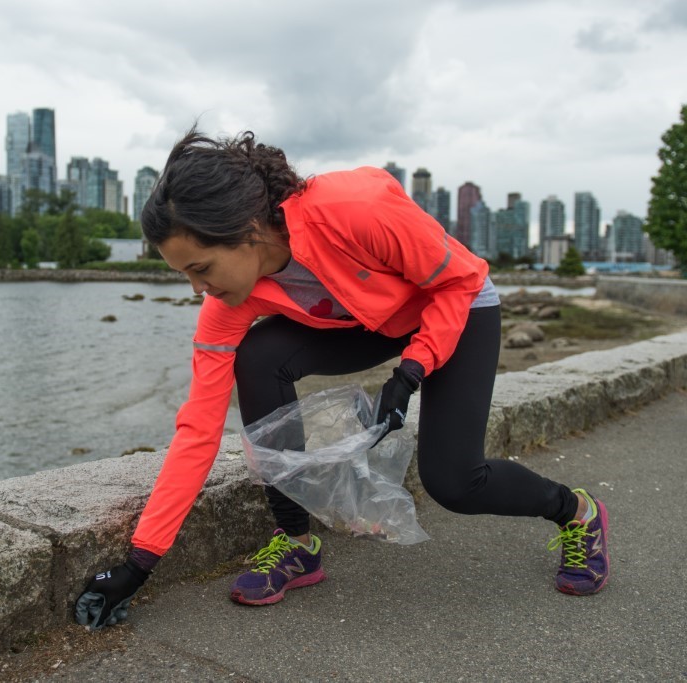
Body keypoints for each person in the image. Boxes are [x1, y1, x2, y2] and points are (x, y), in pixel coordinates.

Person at [74, 127, 610, 629]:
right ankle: (296, 544)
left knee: (455, 482)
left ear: (247, 231)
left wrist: (414, 367)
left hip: (457, 303)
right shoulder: (227, 307)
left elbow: (459, 280)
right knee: (257, 357)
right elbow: (198, 430)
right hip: (369, 321)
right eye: (184, 275)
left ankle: (577, 511)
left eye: (201, 268)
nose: (197, 289)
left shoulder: (354, 210)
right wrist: (140, 563)